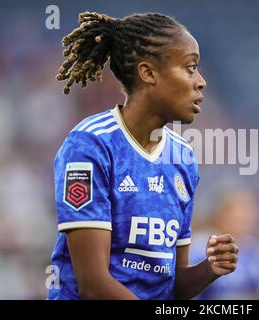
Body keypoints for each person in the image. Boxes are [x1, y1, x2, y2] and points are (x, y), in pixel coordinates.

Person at [47, 11, 239, 300]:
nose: (201, 82)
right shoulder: (90, 145)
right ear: (148, 73)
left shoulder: (183, 158)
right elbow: (93, 285)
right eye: (190, 67)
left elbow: (171, 284)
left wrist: (210, 269)